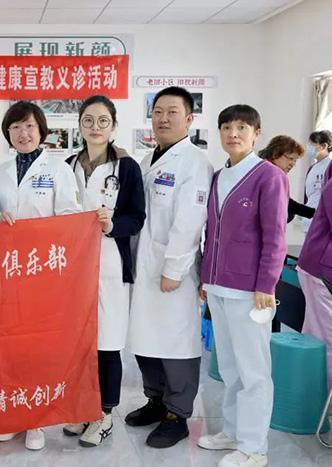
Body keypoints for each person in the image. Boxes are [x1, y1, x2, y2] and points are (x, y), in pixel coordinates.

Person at [0, 100, 82, 451]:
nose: (22, 133)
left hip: (43, 271)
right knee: (9, 344)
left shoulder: (59, 170)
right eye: (15, 127)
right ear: (7, 133)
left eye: (29, 126)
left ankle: (36, 420)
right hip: (7, 271)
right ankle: (13, 414)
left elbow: (70, 218)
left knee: (38, 348)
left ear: (41, 130)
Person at [198, 105, 288, 467]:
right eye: (226, 127)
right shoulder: (219, 176)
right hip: (218, 287)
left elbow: (275, 237)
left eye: (241, 127)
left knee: (254, 372)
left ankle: (254, 447)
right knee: (230, 367)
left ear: (256, 133)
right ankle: (233, 432)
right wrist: (206, 278)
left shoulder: (269, 177)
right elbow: (212, 232)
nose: (233, 134)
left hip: (251, 290)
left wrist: (267, 283)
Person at [126, 86, 214, 448]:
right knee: (144, 338)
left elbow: (189, 222)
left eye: (172, 112)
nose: (163, 119)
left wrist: (174, 269)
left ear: (189, 119)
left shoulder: (194, 163)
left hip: (171, 270)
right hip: (143, 267)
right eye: (158, 112)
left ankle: (178, 415)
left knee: (176, 343)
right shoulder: (147, 160)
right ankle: (156, 400)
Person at [62, 96, 146, 448]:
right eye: (88, 120)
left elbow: (137, 217)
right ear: (79, 125)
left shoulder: (126, 168)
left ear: (113, 125)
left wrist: (113, 224)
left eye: (102, 120)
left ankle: (105, 414)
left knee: (108, 342)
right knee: (78, 344)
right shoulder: (67, 165)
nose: (95, 127)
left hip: (110, 264)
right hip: (72, 267)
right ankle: (84, 407)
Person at [298, 179, 332, 394]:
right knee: (325, 340)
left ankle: (307, 395)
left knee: (314, 336)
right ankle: (320, 398)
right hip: (322, 271)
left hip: (318, 267)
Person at [258, 135, 309, 223]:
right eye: (291, 158)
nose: (292, 164)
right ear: (276, 154)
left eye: (295, 160)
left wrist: (313, 213)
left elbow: (287, 202)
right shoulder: (273, 174)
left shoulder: (262, 169)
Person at [303, 130, 332, 232]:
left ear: (324, 146)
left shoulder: (330, 166)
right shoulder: (312, 168)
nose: (309, 147)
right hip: (309, 219)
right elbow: (308, 196)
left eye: (313, 144)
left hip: (323, 221)